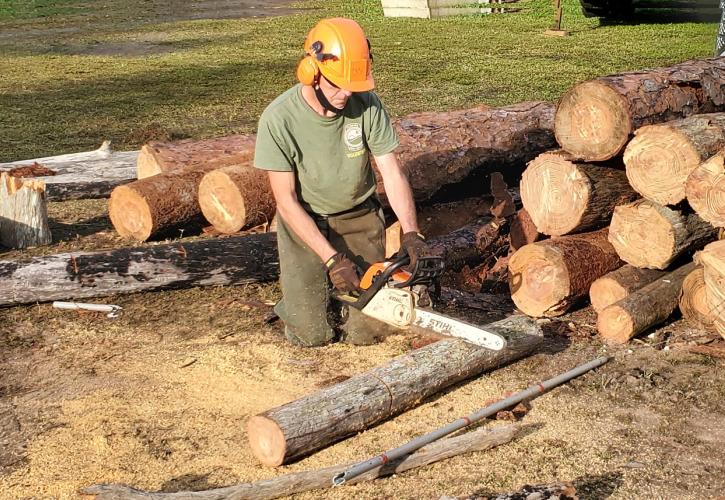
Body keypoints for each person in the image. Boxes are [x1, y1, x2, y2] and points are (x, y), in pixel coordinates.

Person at [254, 17, 430, 347]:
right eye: (337, 85)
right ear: (312, 73)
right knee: (312, 335)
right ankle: (297, 303)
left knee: (368, 334)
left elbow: (391, 172)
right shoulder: (279, 118)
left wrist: (410, 232)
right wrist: (332, 259)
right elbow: (286, 202)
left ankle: (341, 301)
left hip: (358, 217)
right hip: (306, 223)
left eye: (353, 84)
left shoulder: (367, 105)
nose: (346, 93)